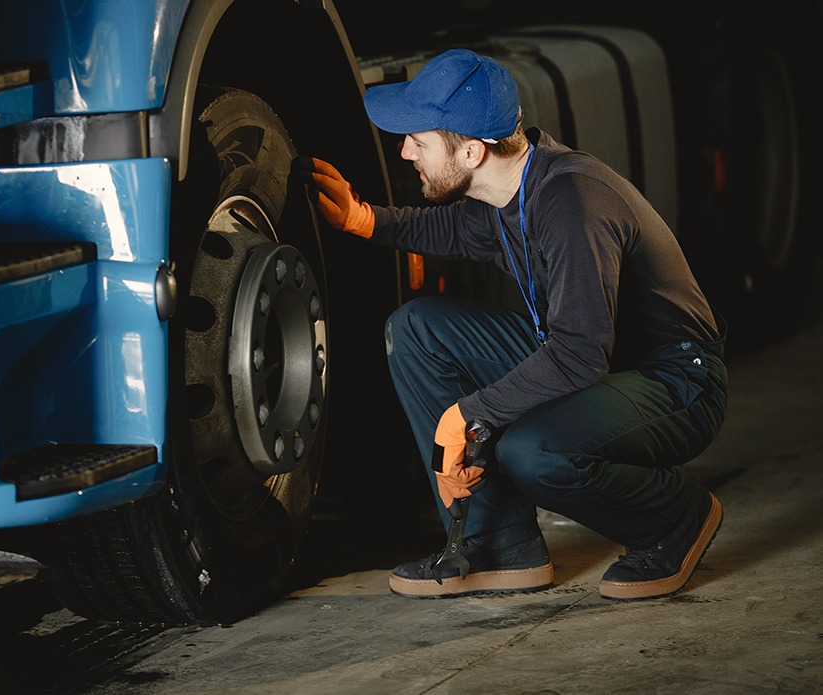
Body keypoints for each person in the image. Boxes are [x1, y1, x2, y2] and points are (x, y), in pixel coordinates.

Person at [303, 48, 727, 600]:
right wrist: (363, 220)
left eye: (420, 141)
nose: (405, 152)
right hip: (594, 359)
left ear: (473, 150)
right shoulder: (507, 193)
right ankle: (497, 543)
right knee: (417, 329)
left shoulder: (573, 203)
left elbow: (579, 355)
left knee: (531, 452)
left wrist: (466, 415)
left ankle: (673, 518)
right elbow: (448, 231)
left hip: (675, 380)